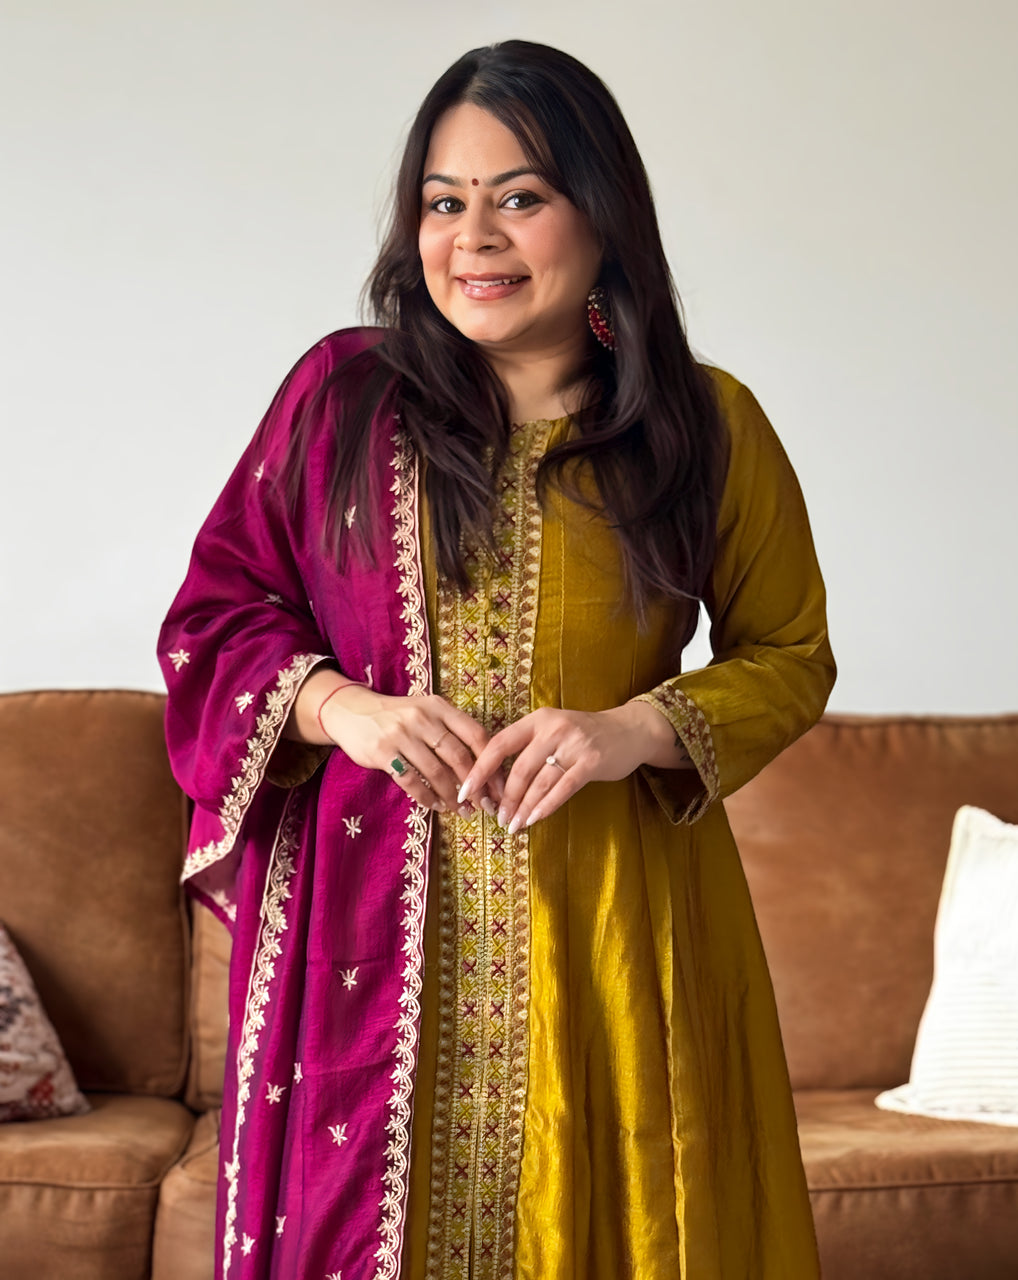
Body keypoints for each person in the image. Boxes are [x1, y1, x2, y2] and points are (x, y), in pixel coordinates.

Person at [159, 39, 835, 1280]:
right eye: (443, 200)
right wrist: (336, 704)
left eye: (519, 196)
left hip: (611, 929)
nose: (473, 236)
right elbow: (217, 613)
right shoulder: (339, 400)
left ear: (603, 215)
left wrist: (636, 726)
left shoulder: (704, 426)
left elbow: (789, 652)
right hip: (362, 942)